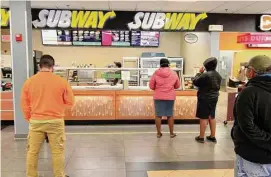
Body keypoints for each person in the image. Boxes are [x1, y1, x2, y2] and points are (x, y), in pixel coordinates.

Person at [21, 55, 74, 177]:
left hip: (36, 121)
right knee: (57, 151)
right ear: (53, 67)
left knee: (32, 152)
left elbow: (24, 103)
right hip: (56, 121)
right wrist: (58, 110)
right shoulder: (61, 81)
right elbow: (70, 102)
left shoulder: (29, 82)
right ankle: (59, 175)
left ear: (40, 66)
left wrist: (29, 118)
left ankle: (31, 175)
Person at [231, 55, 271, 177]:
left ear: (252, 71)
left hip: (253, 156)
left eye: (247, 68)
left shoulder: (248, 93)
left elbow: (247, 126)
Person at [149, 58, 181, 138]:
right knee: (169, 115)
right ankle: (171, 133)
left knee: (158, 115)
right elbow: (177, 86)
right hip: (170, 96)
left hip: (158, 96)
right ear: (168, 64)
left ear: (160, 64)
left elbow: (151, 86)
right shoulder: (174, 73)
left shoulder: (156, 73)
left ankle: (159, 133)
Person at [193, 57, 222, 143]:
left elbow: (196, 82)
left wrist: (199, 73)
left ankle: (201, 137)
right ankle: (212, 136)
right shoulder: (218, 75)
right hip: (214, 98)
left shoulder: (205, 75)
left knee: (203, 117)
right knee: (212, 116)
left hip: (204, 98)